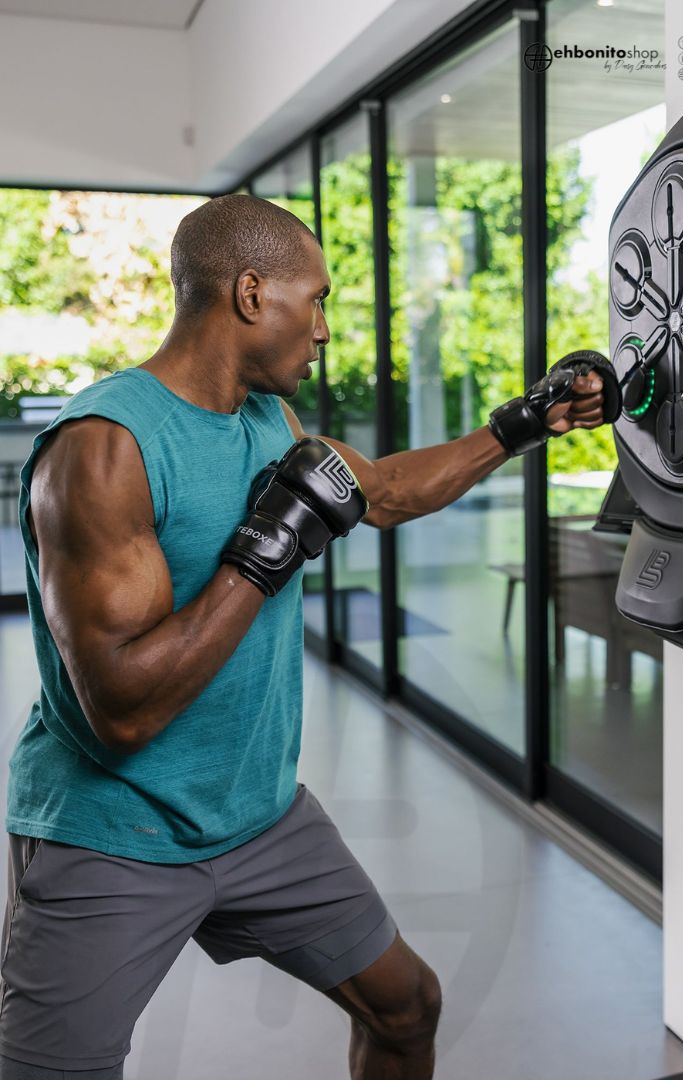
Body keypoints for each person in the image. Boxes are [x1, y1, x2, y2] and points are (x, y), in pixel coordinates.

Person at [0, 194, 620, 1080]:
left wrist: (527, 421)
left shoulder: (268, 421)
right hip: (111, 833)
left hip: (257, 819)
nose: (324, 328)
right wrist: (261, 556)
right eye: (317, 298)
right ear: (252, 294)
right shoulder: (104, 447)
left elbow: (391, 491)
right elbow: (123, 713)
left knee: (406, 1007)